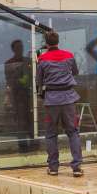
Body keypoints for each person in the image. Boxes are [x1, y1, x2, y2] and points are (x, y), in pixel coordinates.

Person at [36, 30, 83, 177]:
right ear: (58, 41)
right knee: (73, 132)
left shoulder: (42, 59)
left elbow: (39, 80)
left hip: (51, 100)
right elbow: (75, 71)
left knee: (51, 134)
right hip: (68, 98)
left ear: (46, 43)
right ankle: (76, 167)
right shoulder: (68, 55)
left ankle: (53, 168)